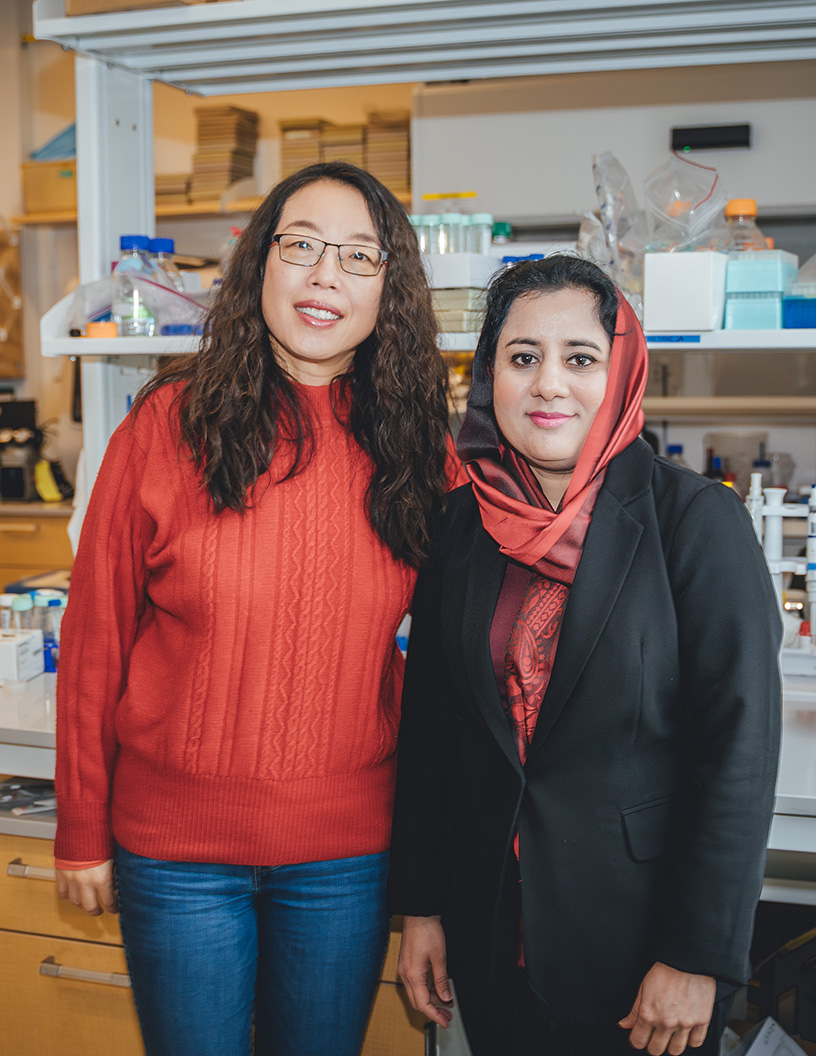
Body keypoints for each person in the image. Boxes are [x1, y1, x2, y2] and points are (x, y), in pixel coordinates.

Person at [54, 161, 463, 1056]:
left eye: (360, 256)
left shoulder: (415, 446)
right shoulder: (165, 425)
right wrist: (81, 828)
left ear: (389, 289)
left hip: (346, 856)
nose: (326, 276)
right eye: (302, 246)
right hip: (174, 856)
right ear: (259, 267)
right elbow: (93, 644)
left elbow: (465, 636)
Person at [387, 255, 781, 1056]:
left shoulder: (695, 522)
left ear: (623, 371)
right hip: (492, 932)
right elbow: (433, 729)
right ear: (489, 373)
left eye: (580, 358)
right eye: (523, 357)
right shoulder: (459, 526)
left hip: (642, 952)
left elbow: (738, 753)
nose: (548, 385)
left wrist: (696, 954)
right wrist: (420, 909)